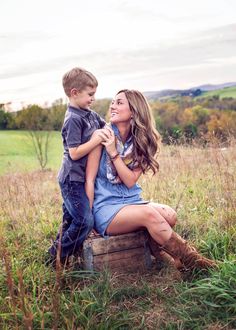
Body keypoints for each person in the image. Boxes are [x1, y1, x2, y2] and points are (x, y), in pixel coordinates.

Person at [85, 89, 216, 273]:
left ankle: (159, 254)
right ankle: (194, 262)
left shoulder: (142, 140)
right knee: (149, 214)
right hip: (106, 207)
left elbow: (130, 181)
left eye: (119, 102)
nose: (112, 106)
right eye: (112, 102)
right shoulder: (101, 136)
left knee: (170, 215)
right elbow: (89, 180)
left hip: (130, 200)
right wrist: (88, 221)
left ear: (134, 111)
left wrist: (114, 152)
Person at [48, 67, 109, 264]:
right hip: (71, 179)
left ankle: (63, 251)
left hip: (81, 178)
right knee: (84, 220)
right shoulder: (73, 119)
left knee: (71, 220)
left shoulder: (89, 114)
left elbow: (105, 125)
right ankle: (56, 256)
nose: (93, 98)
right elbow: (74, 153)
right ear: (74, 93)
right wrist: (94, 140)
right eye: (90, 94)